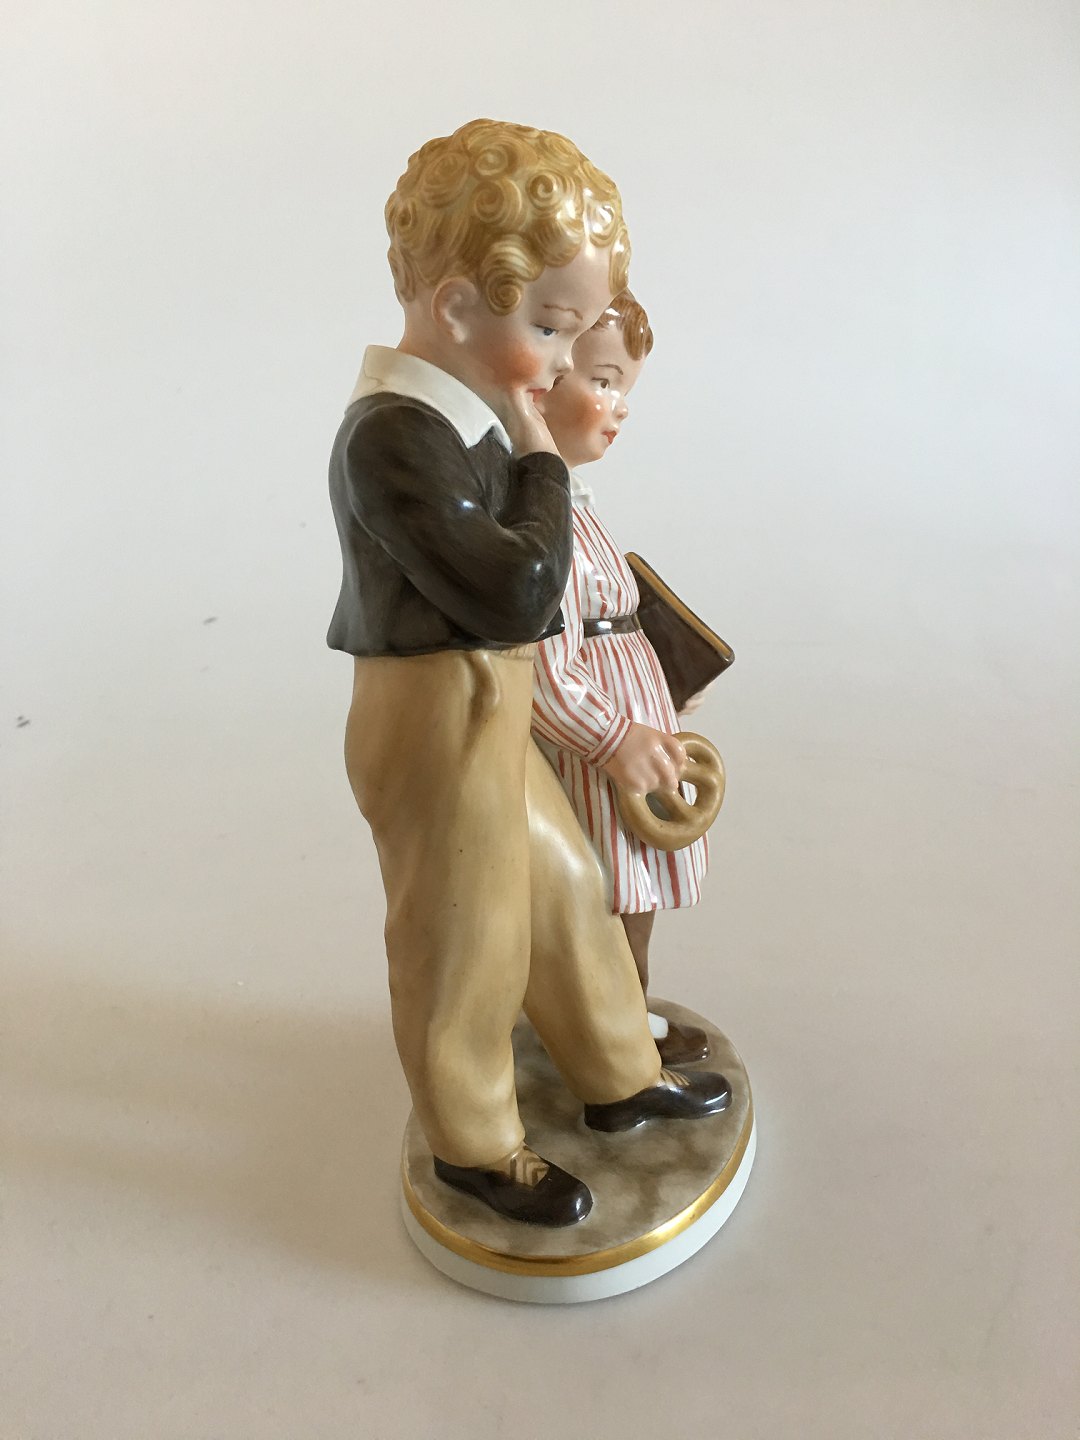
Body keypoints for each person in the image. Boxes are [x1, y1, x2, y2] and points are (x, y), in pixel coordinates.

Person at [327, 120, 730, 1229]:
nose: (559, 361)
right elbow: (513, 591)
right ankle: (473, 1141)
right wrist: (545, 460)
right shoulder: (393, 437)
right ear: (458, 309)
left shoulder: (474, 421)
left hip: (495, 704)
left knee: (563, 890)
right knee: (468, 932)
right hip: (434, 710)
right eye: (548, 327)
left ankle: (618, 1073)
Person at [532, 291, 713, 1065]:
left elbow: (611, 626)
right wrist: (612, 737)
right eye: (604, 381)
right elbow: (543, 670)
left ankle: (626, 1021)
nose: (622, 406)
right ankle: (609, 1044)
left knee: (634, 893)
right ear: (541, 380)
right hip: (597, 765)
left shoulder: (573, 503)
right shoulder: (539, 523)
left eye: (625, 388)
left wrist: (663, 684)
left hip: (634, 747)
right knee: (605, 897)